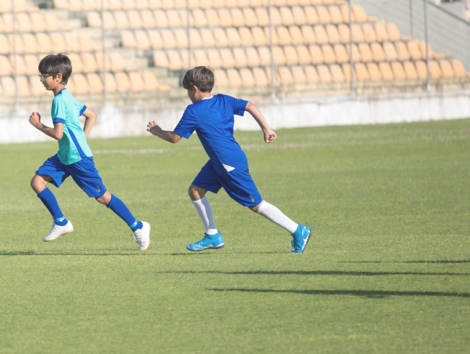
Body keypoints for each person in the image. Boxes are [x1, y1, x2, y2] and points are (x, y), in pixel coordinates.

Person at [146, 66, 312, 253]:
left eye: (188, 91)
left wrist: (156, 130)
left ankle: (298, 230)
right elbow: (250, 105)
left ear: (195, 89)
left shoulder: (194, 111)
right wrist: (266, 128)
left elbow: (174, 138)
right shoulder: (223, 99)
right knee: (195, 191)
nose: (188, 95)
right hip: (220, 161)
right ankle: (212, 235)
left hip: (229, 165)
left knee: (256, 205)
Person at [29, 53, 151, 250]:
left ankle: (138, 227)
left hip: (78, 159)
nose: (42, 80)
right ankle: (61, 222)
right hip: (65, 156)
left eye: (44, 75)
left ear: (58, 77)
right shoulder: (67, 97)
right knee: (37, 182)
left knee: (102, 196)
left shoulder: (59, 101)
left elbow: (58, 134)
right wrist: (81, 139)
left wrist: (38, 125)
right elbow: (91, 115)